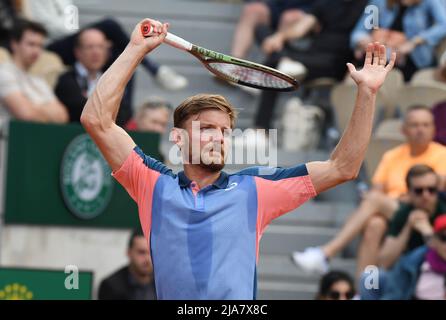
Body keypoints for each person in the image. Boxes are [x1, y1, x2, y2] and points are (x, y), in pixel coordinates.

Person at [80, 18, 396, 299]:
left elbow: (343, 167)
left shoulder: (255, 188)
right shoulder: (152, 184)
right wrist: (135, 50)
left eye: (225, 131)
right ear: (178, 138)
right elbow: (96, 120)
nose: (218, 137)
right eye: (206, 129)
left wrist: (367, 94)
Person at [292, 106, 446, 277]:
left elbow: (431, 193)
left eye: (426, 125)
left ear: (433, 128)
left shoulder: (442, 154)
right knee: (375, 225)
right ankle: (363, 291)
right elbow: (378, 189)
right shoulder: (392, 155)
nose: (420, 130)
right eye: (415, 125)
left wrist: (399, 198)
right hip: (394, 210)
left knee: (373, 200)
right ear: (404, 130)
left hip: (425, 211)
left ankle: (327, 252)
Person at [20, 0, 188, 91]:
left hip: (69, 38)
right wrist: (83, 36)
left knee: (122, 55)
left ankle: (125, 111)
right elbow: (45, 26)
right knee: (110, 25)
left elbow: (70, 22)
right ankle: (156, 70)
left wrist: (83, 36)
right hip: (50, 44)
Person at [254, 0, 368, 131]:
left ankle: (261, 129)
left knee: (273, 65)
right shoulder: (327, 3)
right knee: (261, 29)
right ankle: (284, 59)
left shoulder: (369, 6)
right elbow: (300, 29)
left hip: (335, 64)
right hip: (310, 56)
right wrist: (280, 37)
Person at [351, 0, 446, 81]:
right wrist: (363, 40)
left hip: (413, 59)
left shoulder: (428, 3)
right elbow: (360, 30)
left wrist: (415, 41)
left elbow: (443, 25)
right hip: (380, 54)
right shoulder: (380, 2)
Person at [55, 28, 131, 126]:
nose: (96, 52)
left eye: (100, 47)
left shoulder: (112, 80)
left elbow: (124, 113)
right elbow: (80, 110)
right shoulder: (65, 80)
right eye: (90, 47)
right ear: (78, 52)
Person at [360, 214, 446, 300]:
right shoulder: (416, 260)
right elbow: (396, 293)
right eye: (444, 238)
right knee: (370, 276)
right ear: (434, 239)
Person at [0, 19, 68, 123]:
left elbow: (63, 116)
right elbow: (26, 114)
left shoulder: (39, 81)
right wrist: (46, 109)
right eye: (31, 44)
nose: (36, 51)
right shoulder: (4, 73)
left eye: (40, 46)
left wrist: (32, 107)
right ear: (14, 44)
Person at [379, 165, 446, 269]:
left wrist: (428, 232)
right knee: (374, 277)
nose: (426, 195)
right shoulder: (404, 212)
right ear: (409, 192)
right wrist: (408, 227)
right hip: (412, 274)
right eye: (419, 191)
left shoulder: (443, 208)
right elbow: (384, 262)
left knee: (420, 254)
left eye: (431, 189)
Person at [231, 0, 314, 59]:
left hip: (310, 10)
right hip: (278, 5)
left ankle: (279, 66)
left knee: (289, 17)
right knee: (252, 10)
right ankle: (235, 65)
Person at [98, 229, 156, 300]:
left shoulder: (164, 284)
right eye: (141, 252)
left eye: (151, 252)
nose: (148, 259)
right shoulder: (112, 286)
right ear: (129, 252)